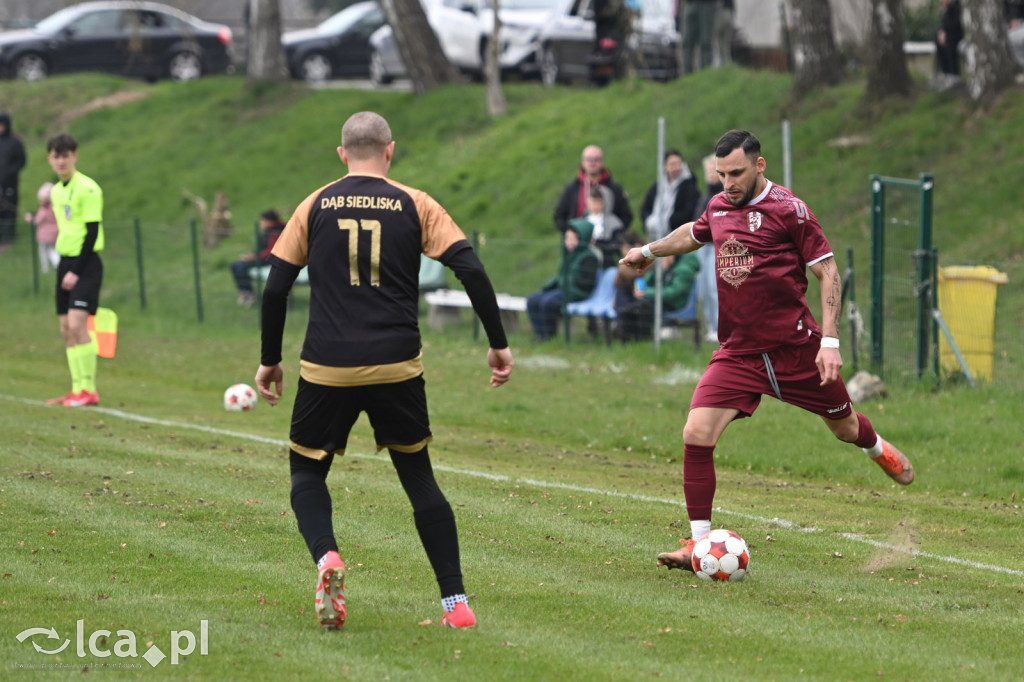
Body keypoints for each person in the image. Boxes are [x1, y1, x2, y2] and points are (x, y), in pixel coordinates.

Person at [254, 111, 514, 631]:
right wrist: (498, 344)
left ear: (342, 153)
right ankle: (455, 605)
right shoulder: (416, 203)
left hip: (326, 366)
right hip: (397, 364)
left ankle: (327, 559)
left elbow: (276, 286)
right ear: (389, 150)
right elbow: (471, 270)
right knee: (418, 477)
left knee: (307, 472)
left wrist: (270, 359)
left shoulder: (315, 203)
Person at [619, 130, 914, 573]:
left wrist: (830, 341)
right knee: (696, 432)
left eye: (736, 173)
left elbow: (829, 273)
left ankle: (876, 447)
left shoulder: (790, 211)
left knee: (845, 428)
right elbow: (694, 234)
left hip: (797, 350)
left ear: (759, 165)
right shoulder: (719, 206)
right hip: (739, 353)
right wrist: (648, 250)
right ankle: (698, 546)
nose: (727, 183)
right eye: (721, 175)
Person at [45, 134, 105, 408]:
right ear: (50, 159)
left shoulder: (89, 188)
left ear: (74, 157)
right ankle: (76, 389)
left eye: (65, 155)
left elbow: (91, 233)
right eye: (56, 156)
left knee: (78, 325)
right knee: (65, 328)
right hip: (65, 262)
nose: (61, 161)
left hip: (86, 263)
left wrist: (76, 271)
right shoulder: (56, 191)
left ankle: (89, 390)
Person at [526, 217, 601, 340]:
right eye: (567, 238)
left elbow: (586, 284)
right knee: (533, 300)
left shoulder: (589, 257)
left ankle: (549, 336)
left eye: (573, 239)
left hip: (577, 292)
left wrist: (568, 283)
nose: (569, 242)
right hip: (565, 289)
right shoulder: (568, 254)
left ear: (582, 238)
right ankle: (539, 334)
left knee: (548, 303)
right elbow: (563, 276)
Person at [614, 249, 699, 341]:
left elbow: (673, 293)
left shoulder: (684, 270)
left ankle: (643, 339)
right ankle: (628, 339)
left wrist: (646, 293)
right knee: (629, 308)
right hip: (658, 300)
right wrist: (658, 271)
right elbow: (648, 281)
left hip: (673, 304)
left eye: (665, 256)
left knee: (643, 307)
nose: (662, 259)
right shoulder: (668, 266)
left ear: (673, 255)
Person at [553, 145, 632, 235]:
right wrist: (569, 231)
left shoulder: (614, 189)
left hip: (607, 240)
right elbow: (559, 216)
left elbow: (626, 216)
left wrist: (615, 235)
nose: (592, 163)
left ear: (603, 162)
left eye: (596, 159)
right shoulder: (572, 189)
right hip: (579, 239)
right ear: (583, 162)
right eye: (589, 159)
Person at [639, 148, 700, 242]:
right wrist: (648, 221)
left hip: (678, 235)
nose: (676, 168)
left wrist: (670, 222)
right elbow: (646, 206)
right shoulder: (659, 185)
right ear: (665, 166)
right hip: (655, 233)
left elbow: (690, 210)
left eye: (678, 163)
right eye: (672, 164)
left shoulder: (689, 185)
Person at [230, 208, 285, 305]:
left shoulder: (275, 232)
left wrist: (254, 256)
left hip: (270, 260)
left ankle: (248, 294)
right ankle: (246, 292)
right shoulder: (272, 230)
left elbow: (272, 251)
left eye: (262, 221)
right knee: (235, 265)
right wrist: (252, 255)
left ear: (268, 221)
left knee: (239, 266)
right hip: (264, 257)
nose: (260, 223)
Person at [693, 154, 721, 342]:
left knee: (715, 288)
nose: (711, 173)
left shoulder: (725, 195)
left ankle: (720, 327)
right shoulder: (705, 195)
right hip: (702, 247)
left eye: (714, 168)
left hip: (716, 246)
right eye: (709, 169)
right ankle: (711, 326)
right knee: (703, 289)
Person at [0, 112, 27, 250]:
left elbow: (21, 161)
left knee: (9, 207)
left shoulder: (14, 142)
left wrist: (9, 173)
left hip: (10, 183)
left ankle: (10, 236)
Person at [25, 182, 60, 274]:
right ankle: (57, 263)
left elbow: (37, 221)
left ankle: (45, 267)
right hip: (56, 233)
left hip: (44, 236)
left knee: (44, 251)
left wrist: (30, 219)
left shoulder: (43, 210)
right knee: (54, 250)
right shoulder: (56, 207)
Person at [680, 0, 718, 74]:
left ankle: (705, 75)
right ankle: (687, 76)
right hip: (690, 3)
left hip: (708, 4)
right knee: (686, 42)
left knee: (706, 42)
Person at [936, 0, 964, 78]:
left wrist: (946, 33)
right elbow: (944, 21)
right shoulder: (948, 7)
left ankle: (953, 73)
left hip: (957, 34)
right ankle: (945, 72)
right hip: (949, 33)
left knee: (949, 42)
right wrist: (942, 31)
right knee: (938, 40)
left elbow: (956, 24)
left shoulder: (957, 6)